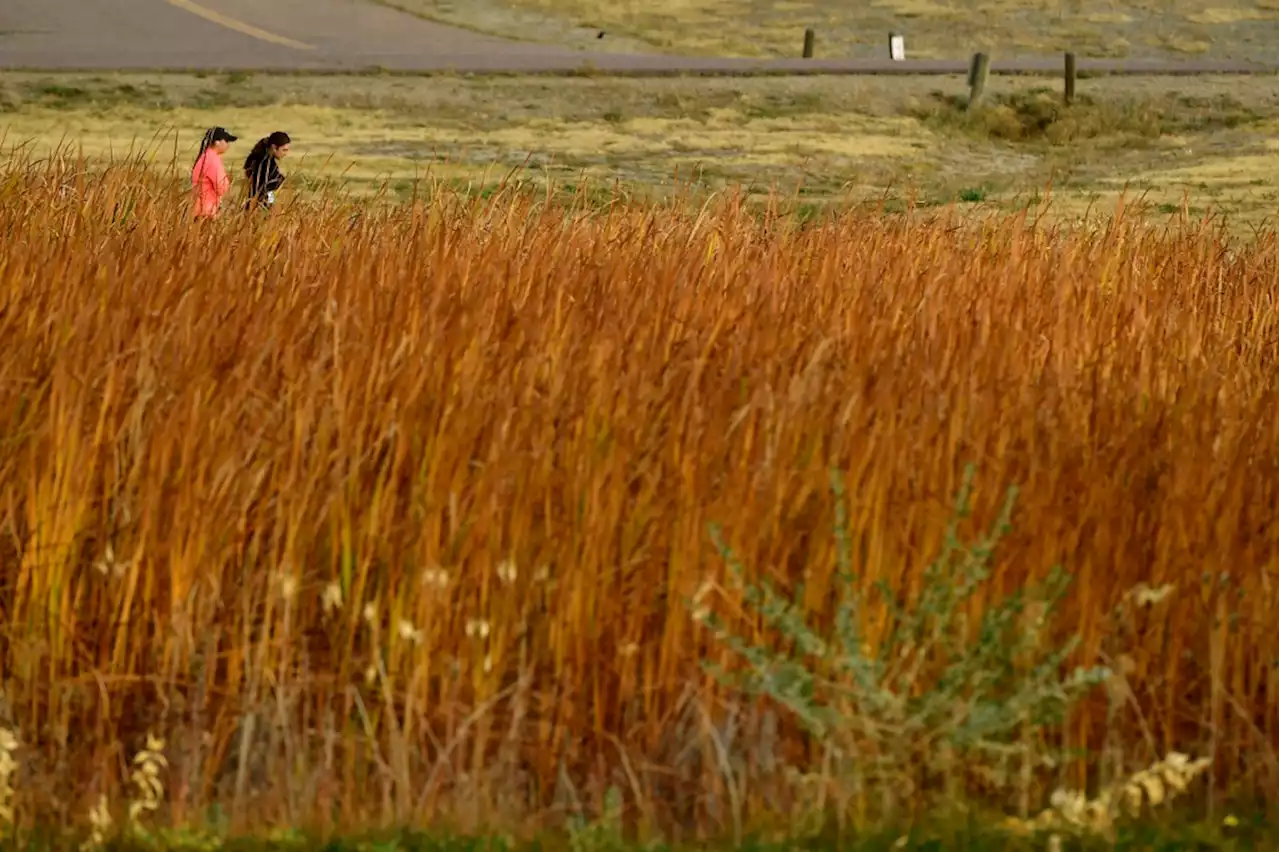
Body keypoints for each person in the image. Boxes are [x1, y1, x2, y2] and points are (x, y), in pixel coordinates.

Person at [191, 127, 237, 219]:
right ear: (217, 142)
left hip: (198, 209)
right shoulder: (213, 160)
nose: (228, 145)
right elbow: (221, 187)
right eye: (226, 141)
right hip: (207, 212)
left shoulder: (205, 156)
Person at [243, 131, 292, 211]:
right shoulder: (264, 162)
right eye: (284, 150)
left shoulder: (259, 157)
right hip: (259, 206)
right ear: (274, 147)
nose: (285, 154)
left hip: (254, 204)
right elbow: (266, 188)